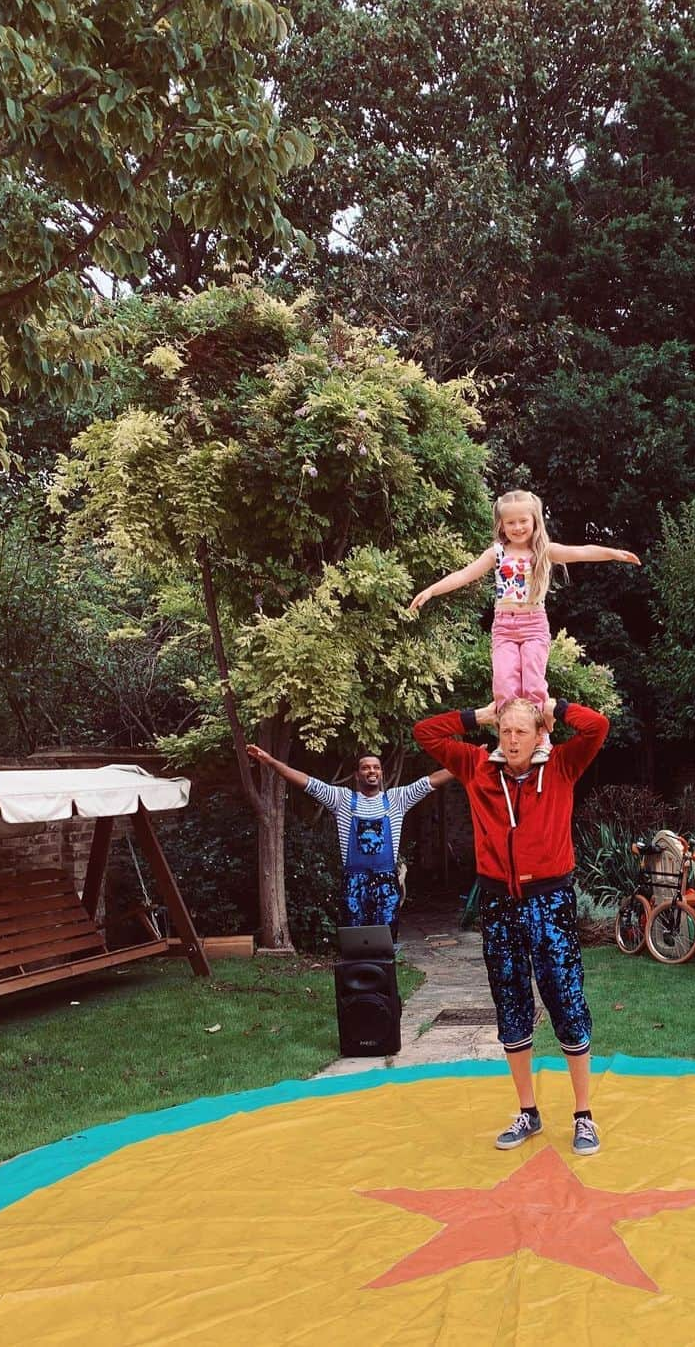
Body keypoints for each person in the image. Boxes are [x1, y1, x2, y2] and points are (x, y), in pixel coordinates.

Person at [414, 694, 608, 1156]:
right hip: (499, 905)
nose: (513, 739)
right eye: (505, 731)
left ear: (539, 734)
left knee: (566, 1000)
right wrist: (478, 715)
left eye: (522, 731)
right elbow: (426, 732)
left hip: (551, 902)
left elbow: (597, 727)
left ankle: (583, 1115)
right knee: (511, 1004)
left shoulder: (560, 765)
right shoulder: (476, 767)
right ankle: (528, 1112)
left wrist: (555, 707)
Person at [409, 489, 638, 763]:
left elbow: (580, 552)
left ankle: (541, 739)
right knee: (504, 684)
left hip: (534, 625)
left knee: (533, 684)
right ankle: (505, 743)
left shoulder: (543, 551)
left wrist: (613, 553)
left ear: (534, 521)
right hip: (504, 627)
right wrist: (432, 591)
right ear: (501, 525)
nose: (517, 528)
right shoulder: (496, 553)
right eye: (511, 523)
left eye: (523, 521)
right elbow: (464, 574)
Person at [245, 744, 451, 944]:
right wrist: (270, 761)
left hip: (387, 884)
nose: (372, 771)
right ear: (357, 775)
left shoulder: (397, 799)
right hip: (353, 883)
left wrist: (468, 763)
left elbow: (431, 781)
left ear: (381, 773)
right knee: (355, 944)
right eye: (366, 767)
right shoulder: (341, 799)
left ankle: (384, 978)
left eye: (376, 767)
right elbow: (307, 782)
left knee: (385, 943)